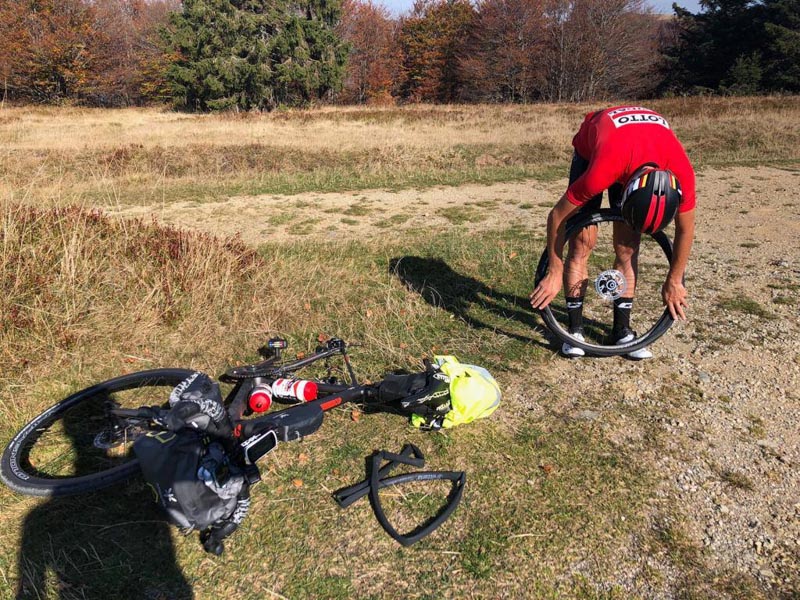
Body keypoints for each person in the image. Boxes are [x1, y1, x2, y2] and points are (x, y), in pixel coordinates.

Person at [529, 106, 696, 359]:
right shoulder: (602, 170)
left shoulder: (681, 173)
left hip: (634, 149)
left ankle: (622, 331)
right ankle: (575, 330)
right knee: (582, 241)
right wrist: (554, 268)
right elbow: (557, 216)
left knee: (628, 247)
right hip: (596, 150)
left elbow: (685, 230)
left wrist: (675, 280)